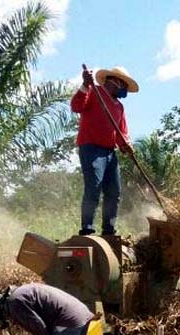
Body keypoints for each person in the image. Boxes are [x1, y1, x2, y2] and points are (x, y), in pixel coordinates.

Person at [71, 66, 138, 237]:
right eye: (123, 86)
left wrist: (126, 146)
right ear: (114, 82)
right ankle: (87, 228)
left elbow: (121, 134)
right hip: (91, 149)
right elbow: (76, 106)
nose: (125, 91)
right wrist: (85, 84)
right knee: (93, 187)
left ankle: (109, 230)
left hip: (109, 152)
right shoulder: (94, 92)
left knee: (114, 192)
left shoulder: (119, 107)